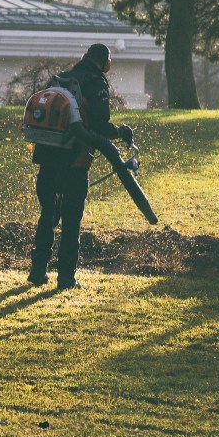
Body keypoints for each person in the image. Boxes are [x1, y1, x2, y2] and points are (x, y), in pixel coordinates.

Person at [28, 43, 133, 290]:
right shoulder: (96, 84)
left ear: (84, 57)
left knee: (48, 215)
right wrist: (121, 132)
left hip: (47, 157)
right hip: (75, 161)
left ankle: (37, 270)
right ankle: (66, 278)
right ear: (106, 64)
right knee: (71, 220)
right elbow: (99, 126)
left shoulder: (61, 79)